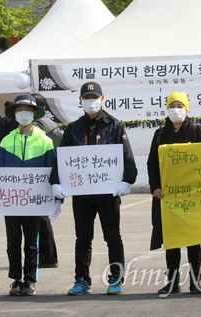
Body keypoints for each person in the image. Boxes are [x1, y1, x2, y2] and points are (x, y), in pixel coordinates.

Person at [50, 81, 138, 295]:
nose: (91, 102)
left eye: (95, 98)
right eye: (87, 98)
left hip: (108, 194)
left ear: (102, 98)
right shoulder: (73, 128)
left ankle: (116, 279)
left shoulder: (114, 125)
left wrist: (127, 181)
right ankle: (82, 279)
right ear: (80, 101)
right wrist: (55, 182)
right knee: (82, 239)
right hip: (82, 193)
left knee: (113, 237)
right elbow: (62, 159)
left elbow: (127, 158)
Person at [0, 94, 57, 296]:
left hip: (34, 202)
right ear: (14, 113)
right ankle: (15, 279)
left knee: (31, 243)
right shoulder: (6, 140)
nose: (24, 114)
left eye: (28, 110)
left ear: (34, 113)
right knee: (13, 243)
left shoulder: (45, 141)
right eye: (20, 110)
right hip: (12, 201)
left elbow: (52, 170)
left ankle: (29, 279)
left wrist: (55, 197)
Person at [147, 91, 201, 295]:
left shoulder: (196, 131)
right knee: (171, 240)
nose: (176, 110)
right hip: (167, 196)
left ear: (187, 108)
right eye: (172, 106)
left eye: (180, 106)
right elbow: (152, 164)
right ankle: (172, 281)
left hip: (191, 195)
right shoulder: (160, 134)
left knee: (192, 239)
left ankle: (196, 280)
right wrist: (155, 187)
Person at [30, 93, 59, 268]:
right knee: (42, 216)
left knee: (39, 218)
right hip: (50, 172)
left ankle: (47, 256)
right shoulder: (51, 123)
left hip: (40, 174)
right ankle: (47, 255)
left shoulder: (37, 126)